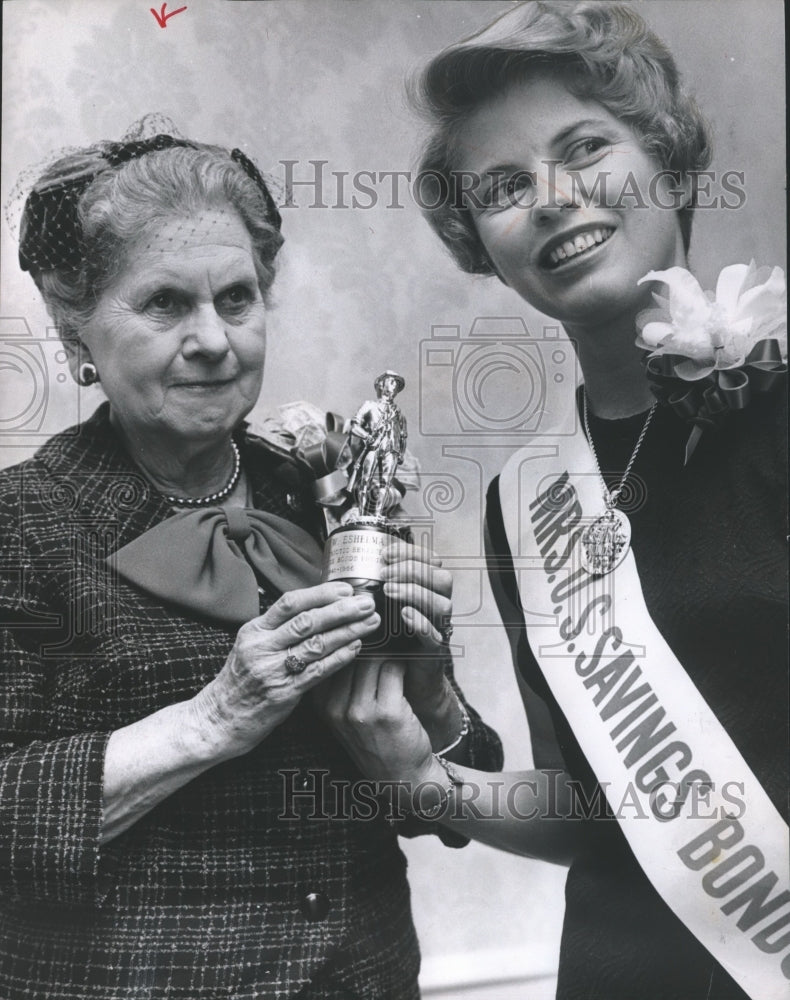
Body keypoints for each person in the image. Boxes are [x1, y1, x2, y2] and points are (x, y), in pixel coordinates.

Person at [321, 4, 788, 1000]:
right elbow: (591, 810)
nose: (550, 198)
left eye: (584, 147)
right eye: (501, 187)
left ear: (669, 159)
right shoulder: (526, 496)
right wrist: (424, 778)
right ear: (480, 245)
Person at [0, 119, 503, 1000]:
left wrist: (430, 696)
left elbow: (459, 800)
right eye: (164, 305)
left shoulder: (334, 496)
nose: (214, 340)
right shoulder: (24, 523)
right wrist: (211, 720)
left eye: (236, 299)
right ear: (77, 334)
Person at [345, 371, 408, 519]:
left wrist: (401, 453)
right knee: (365, 480)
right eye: (392, 382)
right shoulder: (369, 405)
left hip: (392, 450)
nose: (395, 386)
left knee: (385, 483)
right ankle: (361, 513)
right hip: (373, 447)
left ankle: (377, 514)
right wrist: (366, 436)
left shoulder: (399, 414)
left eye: (397, 384)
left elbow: (403, 436)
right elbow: (354, 427)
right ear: (381, 384)